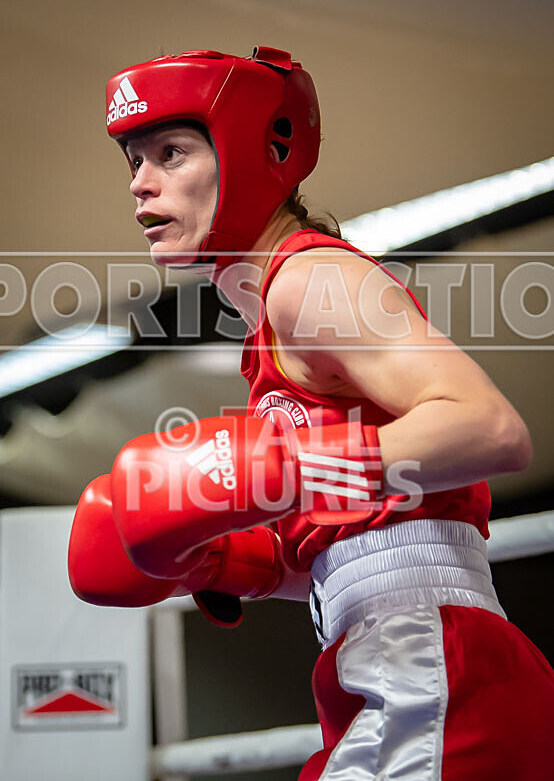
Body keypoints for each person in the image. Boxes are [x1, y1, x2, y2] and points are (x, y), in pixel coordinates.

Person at [69, 47, 554, 779]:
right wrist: (241, 561)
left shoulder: (309, 280)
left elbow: (489, 428)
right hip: (399, 664)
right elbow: (385, 536)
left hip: (430, 665)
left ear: (253, 149)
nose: (140, 184)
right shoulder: (273, 322)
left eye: (171, 152)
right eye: (133, 159)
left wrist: (284, 468)